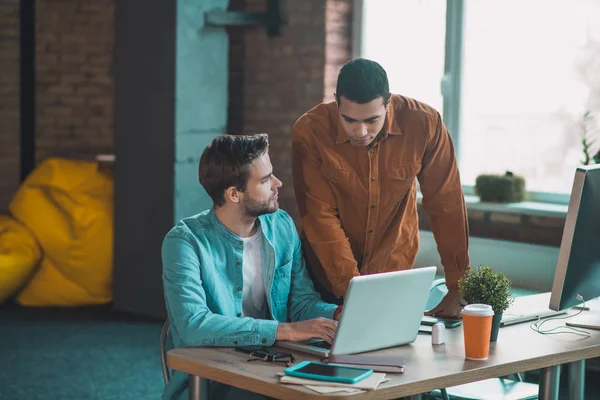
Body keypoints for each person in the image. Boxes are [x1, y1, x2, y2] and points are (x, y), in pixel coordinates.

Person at [162, 134, 341, 400]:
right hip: (215, 377)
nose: (277, 184)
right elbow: (193, 325)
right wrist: (287, 330)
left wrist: (340, 314)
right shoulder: (185, 242)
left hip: (276, 365)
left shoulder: (281, 225)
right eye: (265, 180)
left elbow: (301, 303)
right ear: (234, 194)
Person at [292, 58, 470, 319]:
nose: (361, 131)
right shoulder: (311, 131)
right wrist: (353, 290)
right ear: (336, 101)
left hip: (393, 273)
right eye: (349, 120)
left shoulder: (424, 124)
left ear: (389, 103)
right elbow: (320, 217)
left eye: (372, 120)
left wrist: (458, 286)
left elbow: (447, 204)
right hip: (327, 278)